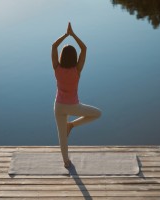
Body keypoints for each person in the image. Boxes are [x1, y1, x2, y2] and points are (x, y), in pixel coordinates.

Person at [51, 22, 101, 168]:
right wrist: (73, 35)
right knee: (97, 113)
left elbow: (53, 46)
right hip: (74, 107)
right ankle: (72, 125)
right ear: (74, 58)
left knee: (62, 136)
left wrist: (65, 35)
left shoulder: (56, 68)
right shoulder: (77, 70)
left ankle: (66, 162)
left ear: (61, 57)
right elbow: (84, 48)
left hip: (59, 106)